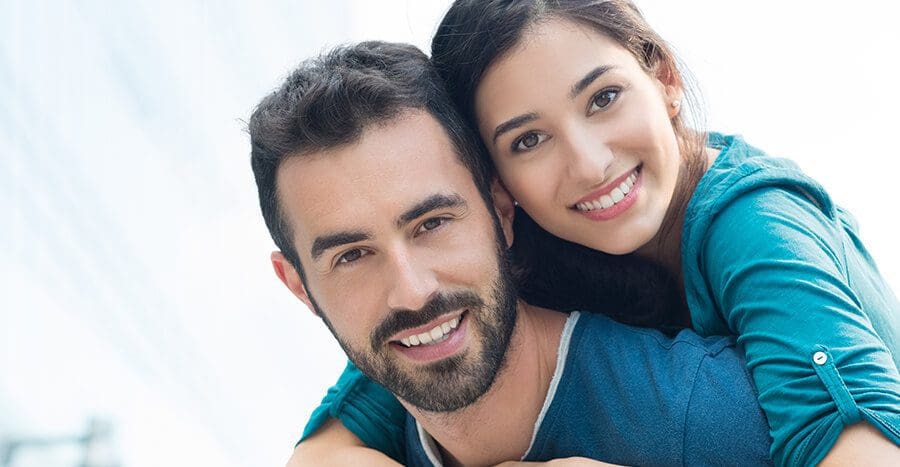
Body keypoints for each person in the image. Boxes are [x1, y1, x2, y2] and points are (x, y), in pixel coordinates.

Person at [296, 1, 900, 466]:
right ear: (496, 186)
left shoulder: (756, 221)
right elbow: (327, 448)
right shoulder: (513, 247)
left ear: (662, 76)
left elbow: (857, 445)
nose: (587, 163)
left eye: (604, 97)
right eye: (528, 140)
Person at [249, 41, 774, 466]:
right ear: (299, 286)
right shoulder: (376, 440)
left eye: (432, 223)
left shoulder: (694, 413)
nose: (411, 292)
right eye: (352, 256)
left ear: (502, 210)